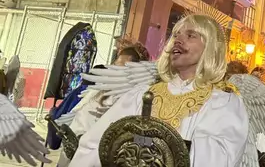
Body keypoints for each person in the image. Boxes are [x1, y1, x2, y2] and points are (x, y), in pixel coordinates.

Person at [69, 14, 249, 166]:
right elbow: (95, 143)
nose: (178, 40)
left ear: (210, 47)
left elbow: (221, 157)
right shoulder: (141, 95)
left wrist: (154, 146)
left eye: (191, 35)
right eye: (176, 35)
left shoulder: (223, 103)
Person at [55, 45, 149, 167]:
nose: (114, 73)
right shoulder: (98, 94)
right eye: (114, 67)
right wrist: (75, 137)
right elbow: (80, 120)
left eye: (121, 70)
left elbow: (145, 141)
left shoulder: (140, 101)